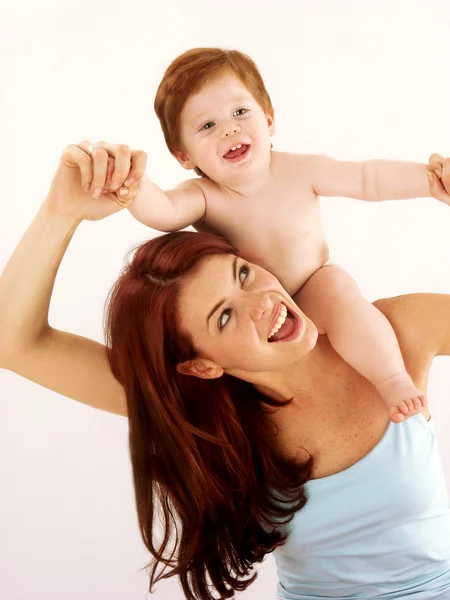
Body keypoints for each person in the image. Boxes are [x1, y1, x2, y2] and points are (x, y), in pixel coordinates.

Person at [1, 141, 450, 600]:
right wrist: (60, 212)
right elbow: (15, 343)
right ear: (201, 365)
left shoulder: (393, 336)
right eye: (224, 316)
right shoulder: (200, 410)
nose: (262, 303)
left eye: (242, 274)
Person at [115, 47, 450, 422]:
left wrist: (430, 180)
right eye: (207, 126)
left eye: (240, 112)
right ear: (183, 156)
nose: (229, 128)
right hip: (251, 316)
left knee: (339, 288)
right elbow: (162, 211)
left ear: (270, 120)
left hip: (312, 286)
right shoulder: (204, 196)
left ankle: (392, 380)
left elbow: (366, 178)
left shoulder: (298, 170)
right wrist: (131, 184)